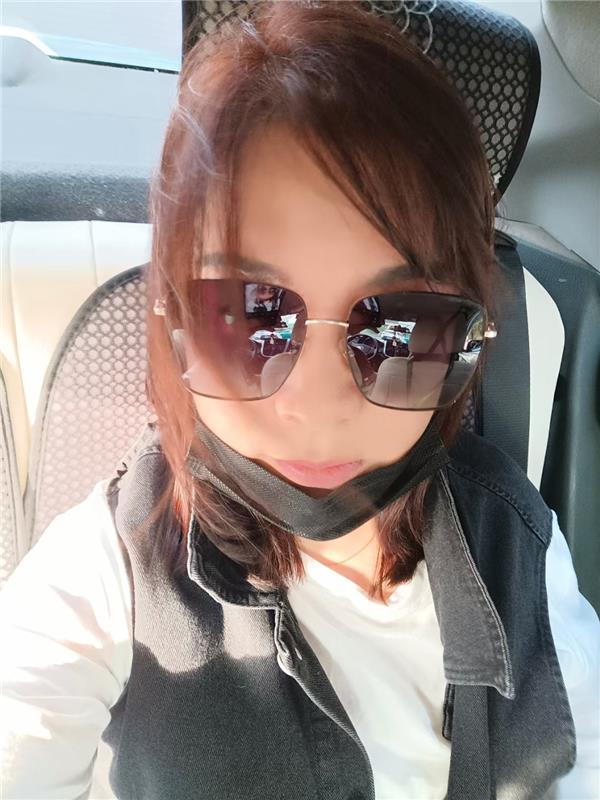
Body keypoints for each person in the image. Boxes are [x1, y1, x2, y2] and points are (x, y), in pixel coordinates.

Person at [1, 2, 598, 799]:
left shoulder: (524, 550)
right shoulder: (106, 573)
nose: (316, 408)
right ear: (173, 321)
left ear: (466, 336)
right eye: (248, 318)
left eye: (400, 329)